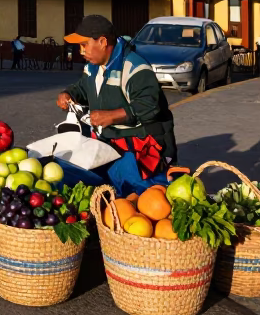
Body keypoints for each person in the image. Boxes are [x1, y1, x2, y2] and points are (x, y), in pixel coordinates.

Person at [55, 14, 177, 196]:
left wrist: (112, 115)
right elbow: (82, 87)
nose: (81, 51)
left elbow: (149, 106)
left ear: (102, 42)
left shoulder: (135, 67)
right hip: (107, 144)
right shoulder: (93, 67)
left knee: (139, 194)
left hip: (140, 148)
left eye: (84, 45)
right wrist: (69, 94)